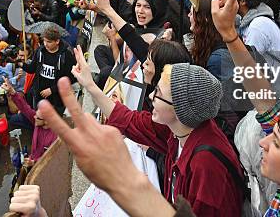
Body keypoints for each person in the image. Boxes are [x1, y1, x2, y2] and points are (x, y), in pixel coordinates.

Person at [67, 45, 243, 216]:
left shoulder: (206, 166)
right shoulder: (180, 130)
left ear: (180, 108)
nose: (151, 96)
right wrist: (89, 85)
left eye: (158, 93)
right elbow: (130, 120)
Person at [2, 77, 57, 163]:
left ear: (47, 121)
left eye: (37, 117)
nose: (34, 117)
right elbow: (25, 108)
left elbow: (50, 159)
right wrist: (12, 92)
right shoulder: (37, 120)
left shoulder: (55, 138)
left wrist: (34, 162)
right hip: (32, 158)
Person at [22, 26, 74, 111]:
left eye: (49, 42)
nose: (45, 44)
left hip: (56, 99)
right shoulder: (40, 51)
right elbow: (32, 69)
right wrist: (21, 64)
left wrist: (52, 90)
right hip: (39, 96)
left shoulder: (66, 55)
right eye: (44, 41)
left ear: (57, 41)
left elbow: (71, 78)